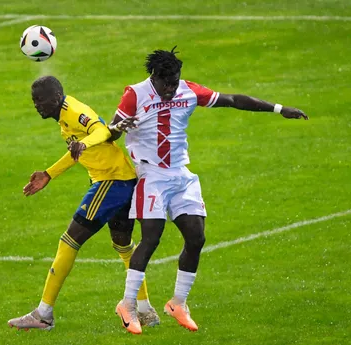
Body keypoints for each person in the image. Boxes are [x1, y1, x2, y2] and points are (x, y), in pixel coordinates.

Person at [109, 47, 309, 334]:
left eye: (175, 81)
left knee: (196, 236)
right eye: (166, 82)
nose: (171, 88)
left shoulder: (188, 91)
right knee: (150, 239)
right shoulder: (135, 94)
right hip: (151, 174)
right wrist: (118, 127)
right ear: (154, 77)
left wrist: (278, 109)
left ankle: (178, 302)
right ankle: (127, 304)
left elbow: (232, 100)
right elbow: (111, 130)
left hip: (181, 174)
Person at [7, 76, 160, 331]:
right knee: (122, 244)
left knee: (69, 241)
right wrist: (49, 174)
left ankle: (43, 314)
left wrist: (84, 142)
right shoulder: (64, 118)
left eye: (40, 100)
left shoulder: (75, 111)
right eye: (34, 100)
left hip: (111, 181)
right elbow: (79, 150)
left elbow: (100, 131)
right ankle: (144, 309)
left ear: (56, 98)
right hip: (123, 179)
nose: (36, 105)